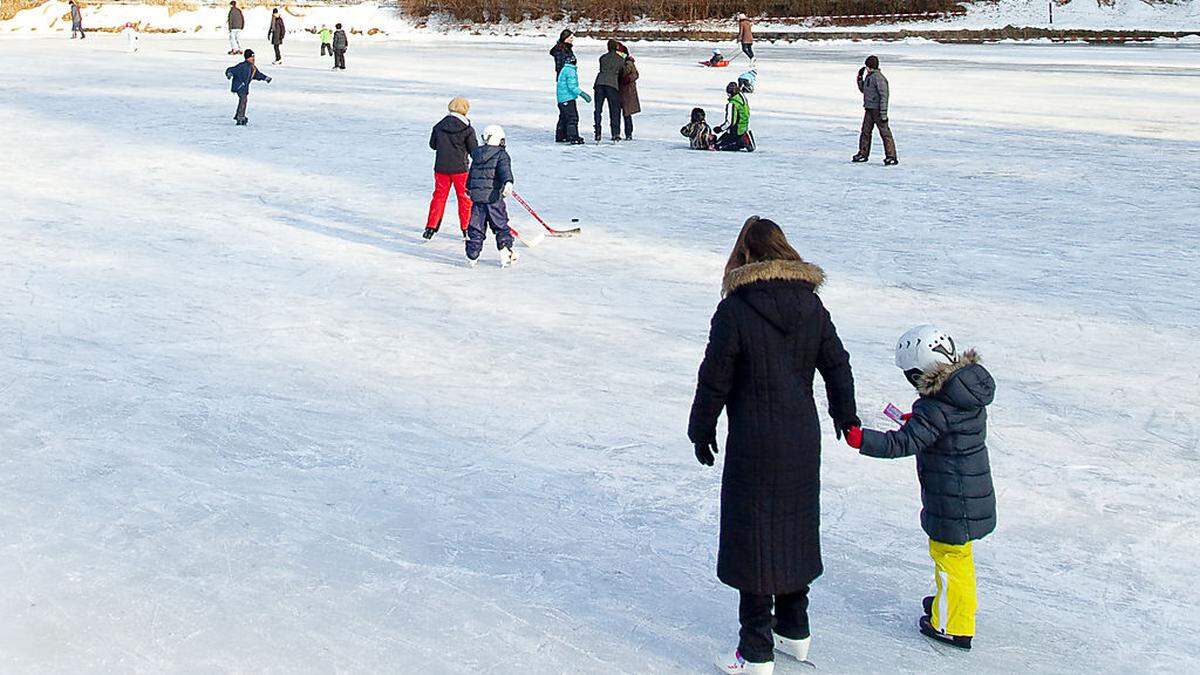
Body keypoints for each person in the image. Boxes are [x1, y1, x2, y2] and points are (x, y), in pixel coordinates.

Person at [689, 216, 857, 674]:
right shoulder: (811, 305)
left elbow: (714, 378)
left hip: (755, 441)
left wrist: (701, 428)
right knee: (794, 529)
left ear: (744, 255)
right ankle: (795, 629)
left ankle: (756, 648)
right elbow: (837, 364)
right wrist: (846, 415)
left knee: (754, 538)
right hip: (801, 437)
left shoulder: (737, 309)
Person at [844, 326, 996, 651]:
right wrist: (921, 420)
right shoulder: (964, 393)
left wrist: (862, 439)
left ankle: (953, 625)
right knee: (959, 557)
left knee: (949, 559)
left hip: (952, 501)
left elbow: (904, 442)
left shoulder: (936, 408)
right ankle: (952, 604)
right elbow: (945, 427)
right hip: (970, 494)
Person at [424, 97, 478, 241]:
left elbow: (432, 145)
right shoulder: (467, 129)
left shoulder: (438, 126)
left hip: (441, 168)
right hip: (460, 169)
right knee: (465, 199)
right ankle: (466, 229)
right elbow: (474, 150)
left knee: (439, 197)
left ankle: (430, 227)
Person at [464, 125, 518, 268]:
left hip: (477, 200)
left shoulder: (476, 154)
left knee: (476, 227)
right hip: (494, 199)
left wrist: (468, 187)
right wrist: (508, 183)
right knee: (500, 225)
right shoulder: (501, 155)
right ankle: (505, 249)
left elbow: (472, 173)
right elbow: (505, 171)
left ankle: (472, 254)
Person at [852, 55, 898, 165]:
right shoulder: (869, 77)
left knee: (885, 133)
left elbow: (884, 96)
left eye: (867, 66)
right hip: (869, 109)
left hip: (878, 110)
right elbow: (865, 90)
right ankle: (863, 153)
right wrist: (859, 79)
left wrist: (883, 114)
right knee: (865, 132)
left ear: (870, 66)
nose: (866, 68)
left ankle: (891, 156)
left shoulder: (879, 78)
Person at [224, 49, 271, 126]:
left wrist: (265, 78)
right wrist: (229, 73)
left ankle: (238, 115)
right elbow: (231, 69)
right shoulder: (243, 66)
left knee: (243, 100)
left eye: (254, 57)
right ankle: (240, 116)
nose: (253, 59)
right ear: (248, 58)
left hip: (244, 87)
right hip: (239, 86)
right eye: (252, 57)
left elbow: (257, 75)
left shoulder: (252, 67)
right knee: (243, 100)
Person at [593, 39, 625, 143]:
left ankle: (597, 132)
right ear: (616, 47)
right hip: (612, 85)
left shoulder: (602, 58)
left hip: (599, 83)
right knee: (614, 110)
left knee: (598, 109)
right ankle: (615, 133)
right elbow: (622, 73)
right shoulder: (620, 59)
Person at [556, 59, 591, 145]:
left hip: (561, 98)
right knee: (572, 118)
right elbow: (572, 86)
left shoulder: (564, 69)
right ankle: (573, 136)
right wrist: (583, 94)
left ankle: (561, 136)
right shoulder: (570, 71)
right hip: (568, 98)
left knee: (563, 118)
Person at [550, 29, 577, 142]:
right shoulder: (562, 50)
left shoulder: (565, 48)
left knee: (564, 112)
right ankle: (571, 136)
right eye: (570, 38)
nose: (572, 40)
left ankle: (561, 135)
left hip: (566, 80)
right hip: (565, 82)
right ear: (565, 38)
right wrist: (566, 79)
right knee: (570, 113)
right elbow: (561, 66)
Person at [715, 82, 754, 152]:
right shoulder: (742, 98)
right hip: (743, 127)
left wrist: (720, 129)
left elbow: (730, 122)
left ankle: (741, 141)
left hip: (735, 131)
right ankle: (743, 138)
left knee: (717, 146)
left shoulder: (732, 104)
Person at [617, 43, 640, 141]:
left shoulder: (629, 63)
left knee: (627, 114)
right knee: (617, 113)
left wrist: (628, 79)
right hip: (618, 90)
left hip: (627, 91)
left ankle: (628, 133)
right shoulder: (616, 62)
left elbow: (635, 74)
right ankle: (617, 132)